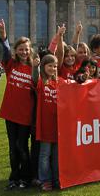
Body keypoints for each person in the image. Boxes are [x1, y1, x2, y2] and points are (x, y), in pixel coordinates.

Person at [0, 19, 34, 189]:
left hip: (25, 115)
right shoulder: (11, 65)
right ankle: (14, 178)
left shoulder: (34, 69)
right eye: (21, 49)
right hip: (10, 114)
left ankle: (25, 178)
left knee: (22, 147)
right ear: (17, 51)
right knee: (13, 148)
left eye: (26, 49)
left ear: (30, 50)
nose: (24, 52)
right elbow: (5, 51)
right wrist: (3, 35)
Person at [31, 54, 59, 191]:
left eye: (54, 66)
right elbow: (35, 78)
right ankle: (45, 180)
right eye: (49, 66)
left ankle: (56, 179)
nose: (53, 68)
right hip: (45, 125)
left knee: (56, 156)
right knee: (44, 155)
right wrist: (35, 67)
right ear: (43, 66)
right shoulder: (41, 82)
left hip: (57, 125)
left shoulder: (58, 82)